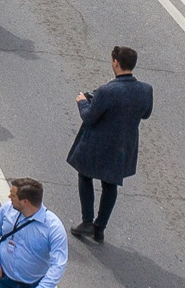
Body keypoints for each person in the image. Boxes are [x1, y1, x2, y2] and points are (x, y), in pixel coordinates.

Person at [66, 44, 154, 243]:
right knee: (110, 184)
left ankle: (87, 220)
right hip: (123, 146)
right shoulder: (146, 90)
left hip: (97, 144)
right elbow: (146, 114)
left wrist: (82, 101)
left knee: (85, 176)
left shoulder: (107, 91)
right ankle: (100, 228)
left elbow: (89, 117)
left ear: (116, 63)